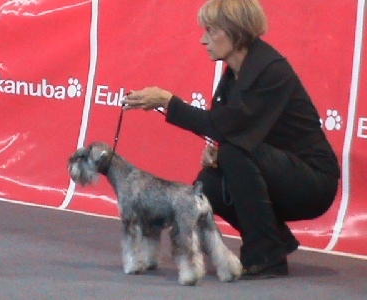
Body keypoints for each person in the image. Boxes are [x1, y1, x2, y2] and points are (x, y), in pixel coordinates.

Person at [122, 0, 340, 279]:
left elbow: (227, 128)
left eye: (211, 31)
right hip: (283, 169)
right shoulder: (235, 74)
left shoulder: (269, 70)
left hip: (314, 183)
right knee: (209, 183)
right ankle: (274, 240)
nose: (203, 39)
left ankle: (265, 256)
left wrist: (168, 102)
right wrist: (214, 150)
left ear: (235, 32)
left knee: (234, 153)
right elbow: (227, 126)